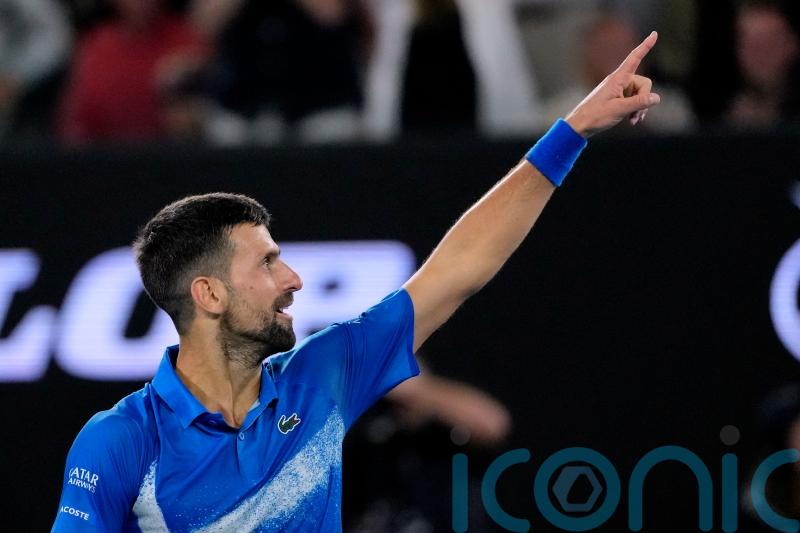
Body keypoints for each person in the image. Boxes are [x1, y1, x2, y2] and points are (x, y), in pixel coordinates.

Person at [51, 32, 662, 531]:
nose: (292, 279)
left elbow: (459, 269)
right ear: (208, 294)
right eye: (266, 264)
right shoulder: (120, 443)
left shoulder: (325, 373)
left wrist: (572, 132)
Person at [57, 0, 207, 143]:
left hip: (169, 157)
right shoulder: (95, 47)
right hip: (106, 158)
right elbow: (74, 125)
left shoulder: (186, 42)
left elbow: (203, 121)